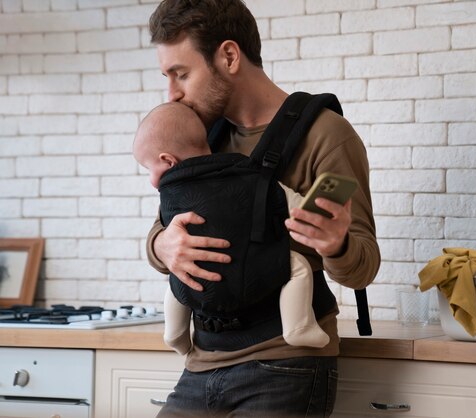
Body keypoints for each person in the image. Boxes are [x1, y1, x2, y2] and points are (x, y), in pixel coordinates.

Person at [146, 1, 380, 416]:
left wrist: (337, 244)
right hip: (201, 363)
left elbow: (362, 267)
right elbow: (166, 229)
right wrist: (161, 246)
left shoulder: (328, 136)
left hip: (285, 365)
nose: (172, 94)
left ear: (229, 56)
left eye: (181, 74)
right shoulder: (202, 136)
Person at [133, 101, 330, 354]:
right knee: (298, 266)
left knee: (176, 281)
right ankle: (297, 326)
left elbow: (162, 232)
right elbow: (297, 208)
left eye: (148, 169)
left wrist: (161, 245)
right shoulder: (249, 174)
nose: (151, 180)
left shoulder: (170, 197)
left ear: (168, 161)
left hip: (195, 284)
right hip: (249, 272)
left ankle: (175, 334)